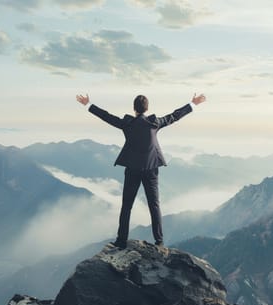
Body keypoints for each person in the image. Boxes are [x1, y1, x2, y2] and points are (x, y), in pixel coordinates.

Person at [76, 93, 206, 249]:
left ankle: (121, 240)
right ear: (147, 108)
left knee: (127, 206)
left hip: (132, 169)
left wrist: (88, 104)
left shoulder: (127, 124)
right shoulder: (154, 123)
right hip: (151, 169)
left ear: (134, 109)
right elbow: (174, 116)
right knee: (154, 205)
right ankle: (159, 241)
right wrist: (192, 104)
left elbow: (107, 117)